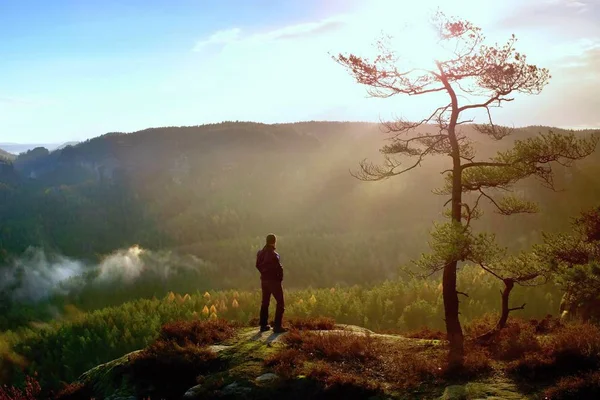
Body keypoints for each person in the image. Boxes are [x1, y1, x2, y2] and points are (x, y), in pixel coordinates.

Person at [256, 233, 287, 333]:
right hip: (274, 281)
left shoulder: (260, 253)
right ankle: (277, 326)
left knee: (265, 302)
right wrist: (279, 279)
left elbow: (257, 265)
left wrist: (264, 273)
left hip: (264, 280)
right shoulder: (274, 255)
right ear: (274, 242)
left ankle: (263, 325)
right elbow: (279, 268)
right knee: (280, 303)